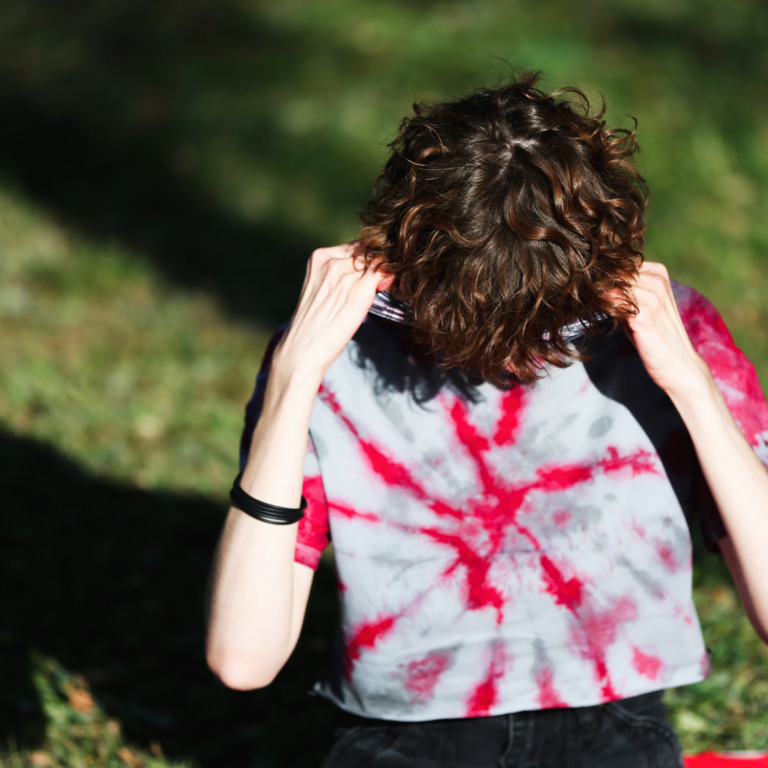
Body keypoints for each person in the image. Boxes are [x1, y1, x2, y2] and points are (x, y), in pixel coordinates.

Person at [205, 72, 768, 767]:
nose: (511, 367)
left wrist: (691, 386)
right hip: (400, 736)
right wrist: (295, 379)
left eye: (559, 331)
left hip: (611, 726)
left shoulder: (671, 340)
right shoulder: (329, 354)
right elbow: (242, 658)